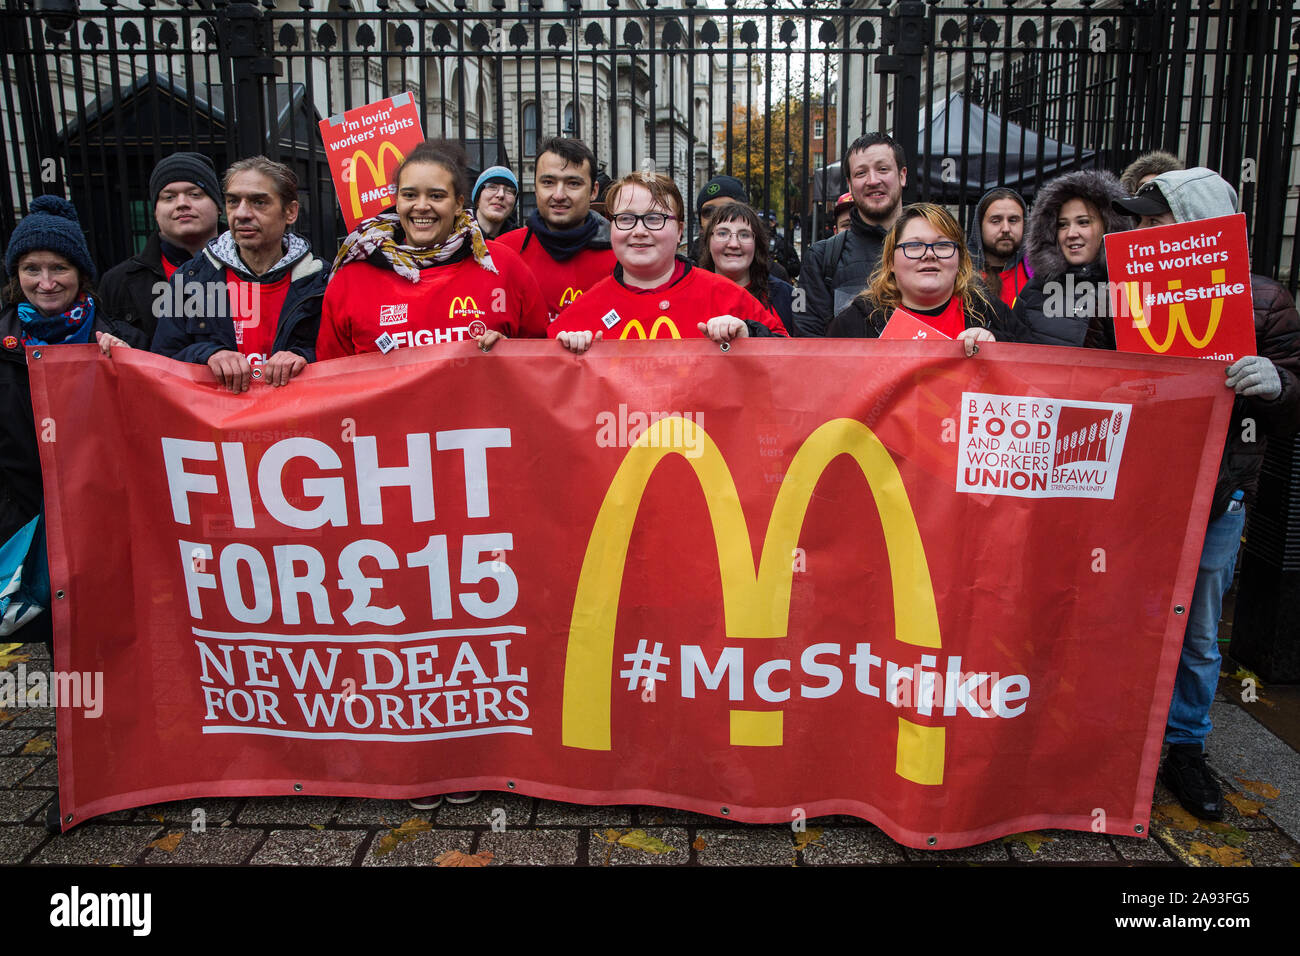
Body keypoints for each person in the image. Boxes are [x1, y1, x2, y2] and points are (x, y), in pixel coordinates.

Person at [1112, 167, 1300, 821]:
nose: (1140, 233)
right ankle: (1112, 743)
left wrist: (1276, 382)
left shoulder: (1266, 302)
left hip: (1217, 496)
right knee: (1120, 620)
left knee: (1195, 633)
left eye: (1153, 221)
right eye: (1135, 221)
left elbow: (1294, 397)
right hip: (1130, 491)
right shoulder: (1121, 296)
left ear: (1196, 228)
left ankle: (1186, 749)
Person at [0, 195, 125, 834]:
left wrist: (122, 365)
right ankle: (81, 774)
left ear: (81, 273)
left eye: (59, 269)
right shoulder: (2, 348)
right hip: (36, 527)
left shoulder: (115, 337)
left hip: (107, 519)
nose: (46, 283)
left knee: (118, 645)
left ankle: (129, 762)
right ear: (15, 277)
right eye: (32, 270)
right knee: (66, 655)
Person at [317, 139, 546, 361]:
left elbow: (541, 360)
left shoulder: (504, 266)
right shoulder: (351, 281)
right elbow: (332, 380)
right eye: (409, 195)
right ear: (397, 202)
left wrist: (512, 355)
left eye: (436, 196)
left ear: (458, 204)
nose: (422, 206)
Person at [549, 172, 788, 352]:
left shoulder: (727, 296)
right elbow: (541, 388)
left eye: (655, 218)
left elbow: (791, 358)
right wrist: (566, 357)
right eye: (626, 218)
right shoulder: (583, 311)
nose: (639, 230)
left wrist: (748, 335)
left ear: (680, 231)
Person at [152, 156, 326, 393]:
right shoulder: (190, 280)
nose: (242, 213)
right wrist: (208, 355)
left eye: (259, 202)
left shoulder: (322, 281)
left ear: (290, 212)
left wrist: (304, 358)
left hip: (299, 427)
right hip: (218, 425)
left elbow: (345, 359)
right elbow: (161, 364)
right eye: (233, 202)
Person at [826, 202, 1015, 354]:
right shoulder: (855, 322)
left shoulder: (991, 313)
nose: (929, 254)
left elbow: (1032, 376)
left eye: (942, 245)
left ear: (960, 259)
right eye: (914, 245)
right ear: (891, 261)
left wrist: (998, 346)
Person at [99, 151, 223, 349]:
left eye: (195, 194)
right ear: (155, 212)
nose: (182, 203)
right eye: (169, 197)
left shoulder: (252, 268)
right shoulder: (117, 282)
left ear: (218, 206)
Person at [798, 132, 908, 336]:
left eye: (882, 169)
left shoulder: (937, 249)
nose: (873, 180)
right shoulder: (821, 257)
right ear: (849, 184)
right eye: (861, 173)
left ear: (902, 175)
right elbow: (809, 343)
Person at [494, 138, 615, 323]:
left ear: (593, 190)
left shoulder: (620, 257)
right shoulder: (501, 253)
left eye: (573, 183)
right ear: (536, 187)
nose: (559, 195)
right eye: (548, 182)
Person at [1009, 170, 1132, 347]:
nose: (1071, 234)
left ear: (1108, 225)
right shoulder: (1034, 290)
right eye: (1062, 225)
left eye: (1083, 222)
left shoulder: (1128, 291)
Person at [696, 201, 796, 335]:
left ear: (757, 244)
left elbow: (801, 349)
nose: (733, 244)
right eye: (722, 233)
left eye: (744, 235)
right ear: (708, 242)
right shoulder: (690, 293)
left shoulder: (787, 295)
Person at [968, 186, 1032, 309]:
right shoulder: (959, 272)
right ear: (979, 226)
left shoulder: (1037, 272)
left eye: (1013, 220)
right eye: (996, 221)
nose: (1006, 229)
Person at [471, 164, 518, 239]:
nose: (501, 195)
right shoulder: (452, 237)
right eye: (492, 187)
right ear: (478, 198)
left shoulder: (521, 244)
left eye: (509, 191)